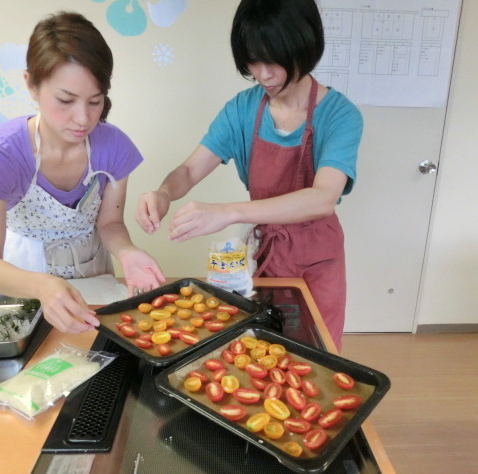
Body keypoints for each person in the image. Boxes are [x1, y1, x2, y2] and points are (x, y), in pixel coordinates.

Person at [135, 0, 362, 350]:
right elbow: (189, 169)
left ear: (304, 45)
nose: (263, 74)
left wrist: (228, 212)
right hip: (264, 259)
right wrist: (164, 193)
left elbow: (322, 199)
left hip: (317, 263)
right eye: (253, 61)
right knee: (260, 352)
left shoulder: (340, 116)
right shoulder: (242, 109)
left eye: (273, 60)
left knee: (316, 358)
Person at [0, 11, 165, 334]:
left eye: (95, 101)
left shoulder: (113, 146)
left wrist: (128, 253)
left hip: (94, 275)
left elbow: (110, 224)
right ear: (31, 84)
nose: (82, 119)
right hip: (24, 281)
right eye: (66, 100)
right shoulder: (0, 154)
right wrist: (43, 286)